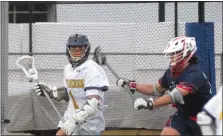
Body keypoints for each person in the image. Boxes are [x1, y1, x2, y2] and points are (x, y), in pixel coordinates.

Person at [117, 36, 213, 136]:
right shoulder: (171, 72)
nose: (171, 56)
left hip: (203, 120)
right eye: (171, 53)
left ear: (187, 53)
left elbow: (175, 96)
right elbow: (156, 89)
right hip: (183, 115)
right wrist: (133, 85)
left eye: (175, 53)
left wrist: (150, 103)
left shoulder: (195, 74)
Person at [34, 34, 109, 135]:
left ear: (86, 50)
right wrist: (51, 92)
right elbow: (70, 93)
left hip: (89, 123)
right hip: (71, 116)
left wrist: (74, 121)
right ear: (68, 50)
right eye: (74, 50)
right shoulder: (68, 68)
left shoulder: (92, 69)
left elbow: (93, 103)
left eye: (80, 50)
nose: (77, 53)